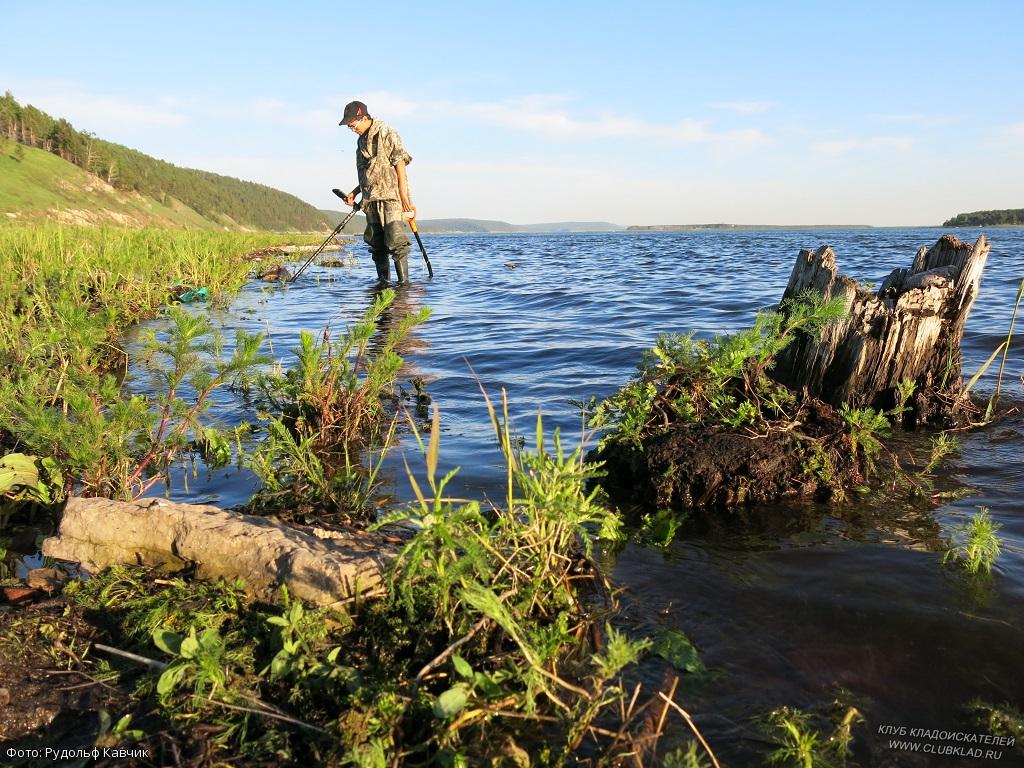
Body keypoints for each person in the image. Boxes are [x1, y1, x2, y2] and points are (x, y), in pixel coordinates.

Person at [339, 100, 416, 284]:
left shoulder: (386, 132)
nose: (352, 129)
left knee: (396, 241)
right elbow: (368, 173)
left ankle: (403, 287)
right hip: (370, 200)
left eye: (352, 124)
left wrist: (403, 194)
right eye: (349, 126)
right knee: (376, 244)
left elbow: (400, 162)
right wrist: (356, 192)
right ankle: (383, 285)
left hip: (391, 197)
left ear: (363, 117)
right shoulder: (360, 141)